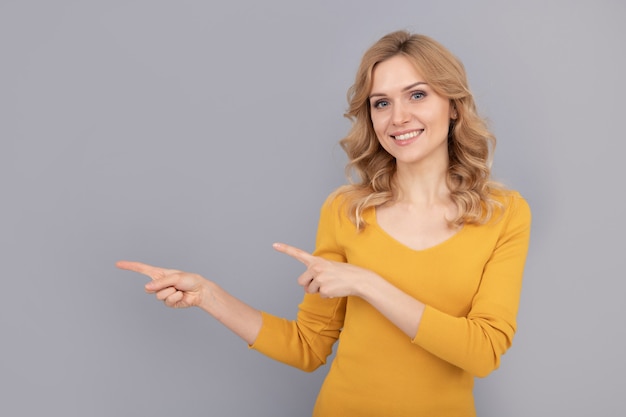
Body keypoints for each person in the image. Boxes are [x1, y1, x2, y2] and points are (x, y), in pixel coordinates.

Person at [117, 30, 531, 417]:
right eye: (381, 102)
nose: (398, 117)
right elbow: (307, 346)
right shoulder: (345, 210)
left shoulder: (504, 213)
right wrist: (208, 295)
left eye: (417, 95)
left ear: (454, 106)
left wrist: (367, 283)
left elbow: (483, 351)